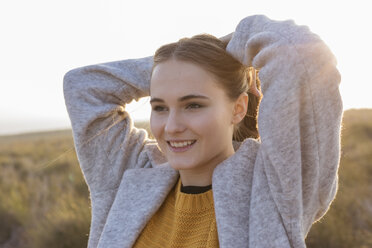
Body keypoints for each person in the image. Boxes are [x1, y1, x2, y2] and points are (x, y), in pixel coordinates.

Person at [63, 15, 343, 248]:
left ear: (238, 108)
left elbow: (299, 54)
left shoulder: (276, 185)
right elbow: (82, 86)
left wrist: (221, 55)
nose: (171, 127)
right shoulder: (133, 174)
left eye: (193, 105)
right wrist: (176, 64)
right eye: (160, 107)